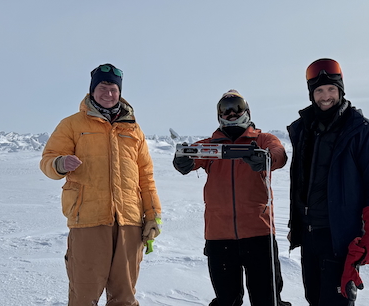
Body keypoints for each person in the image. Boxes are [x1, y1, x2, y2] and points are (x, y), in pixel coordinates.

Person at [40, 63, 162, 306]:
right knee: (84, 297)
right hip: (88, 220)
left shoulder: (133, 129)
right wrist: (60, 163)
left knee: (124, 298)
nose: (108, 94)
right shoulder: (72, 125)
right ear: (92, 90)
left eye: (113, 89)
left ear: (120, 92)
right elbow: (47, 161)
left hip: (129, 222)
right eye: (103, 88)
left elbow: (146, 176)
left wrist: (153, 215)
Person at [286, 58, 369, 305]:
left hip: (340, 239)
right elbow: (303, 182)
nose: (326, 96)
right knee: (314, 299)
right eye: (319, 90)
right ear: (311, 94)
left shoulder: (363, 130)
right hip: (310, 238)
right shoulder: (305, 129)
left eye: (331, 89)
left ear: (341, 90)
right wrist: (297, 224)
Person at [173, 90, 291, 306]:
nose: (231, 113)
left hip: (259, 234)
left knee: (268, 300)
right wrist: (183, 161)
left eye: (236, 106)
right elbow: (190, 155)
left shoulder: (262, 140)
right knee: (227, 300)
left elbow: (279, 154)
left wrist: (265, 157)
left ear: (246, 110)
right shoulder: (211, 145)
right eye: (225, 109)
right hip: (220, 237)